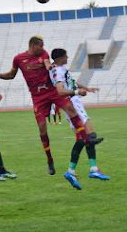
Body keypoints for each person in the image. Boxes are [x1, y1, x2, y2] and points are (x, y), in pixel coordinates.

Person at [0, 36, 102, 175]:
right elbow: (11, 75)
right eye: (41, 46)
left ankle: (87, 142)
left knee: (71, 109)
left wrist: (49, 66)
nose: (43, 48)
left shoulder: (44, 54)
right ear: (33, 45)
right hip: (38, 96)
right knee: (42, 129)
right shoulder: (19, 59)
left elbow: (47, 63)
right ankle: (50, 160)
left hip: (52, 92)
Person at [50, 48, 109, 190]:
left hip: (74, 102)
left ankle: (82, 170)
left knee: (84, 138)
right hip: (71, 103)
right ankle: (90, 170)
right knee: (88, 134)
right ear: (59, 58)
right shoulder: (57, 71)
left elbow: (72, 83)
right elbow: (60, 91)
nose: (67, 58)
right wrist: (77, 92)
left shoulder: (60, 69)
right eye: (65, 56)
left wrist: (86, 88)